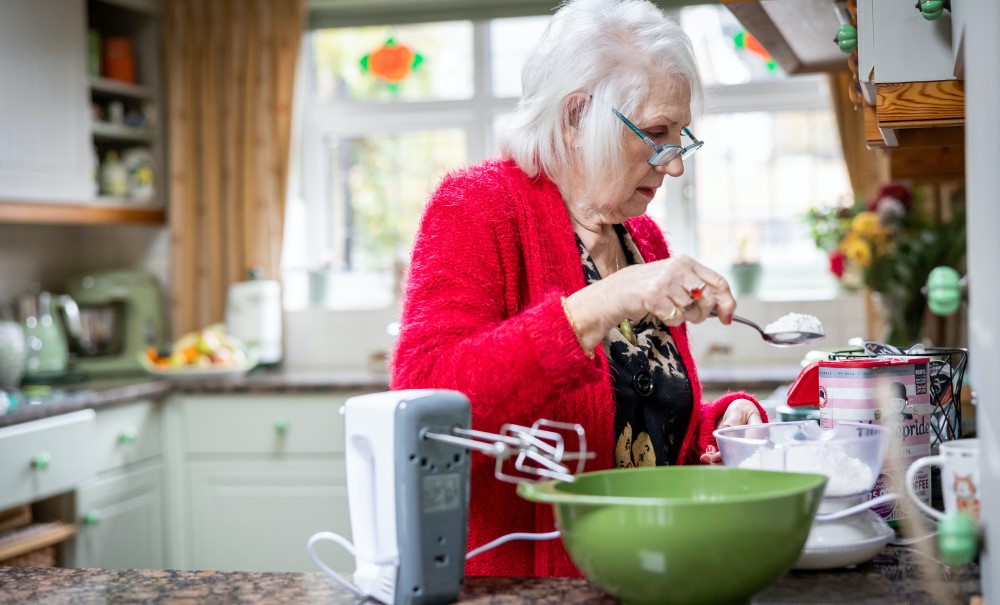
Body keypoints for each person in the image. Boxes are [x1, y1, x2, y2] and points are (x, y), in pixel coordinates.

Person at [390, 0, 766, 578]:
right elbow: (426, 401)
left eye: (681, 137)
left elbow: (636, 435)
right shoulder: (477, 207)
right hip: (526, 587)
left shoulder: (642, 237)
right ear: (576, 116)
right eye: (655, 135)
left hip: (652, 572)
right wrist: (604, 301)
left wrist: (721, 427)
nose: (674, 166)